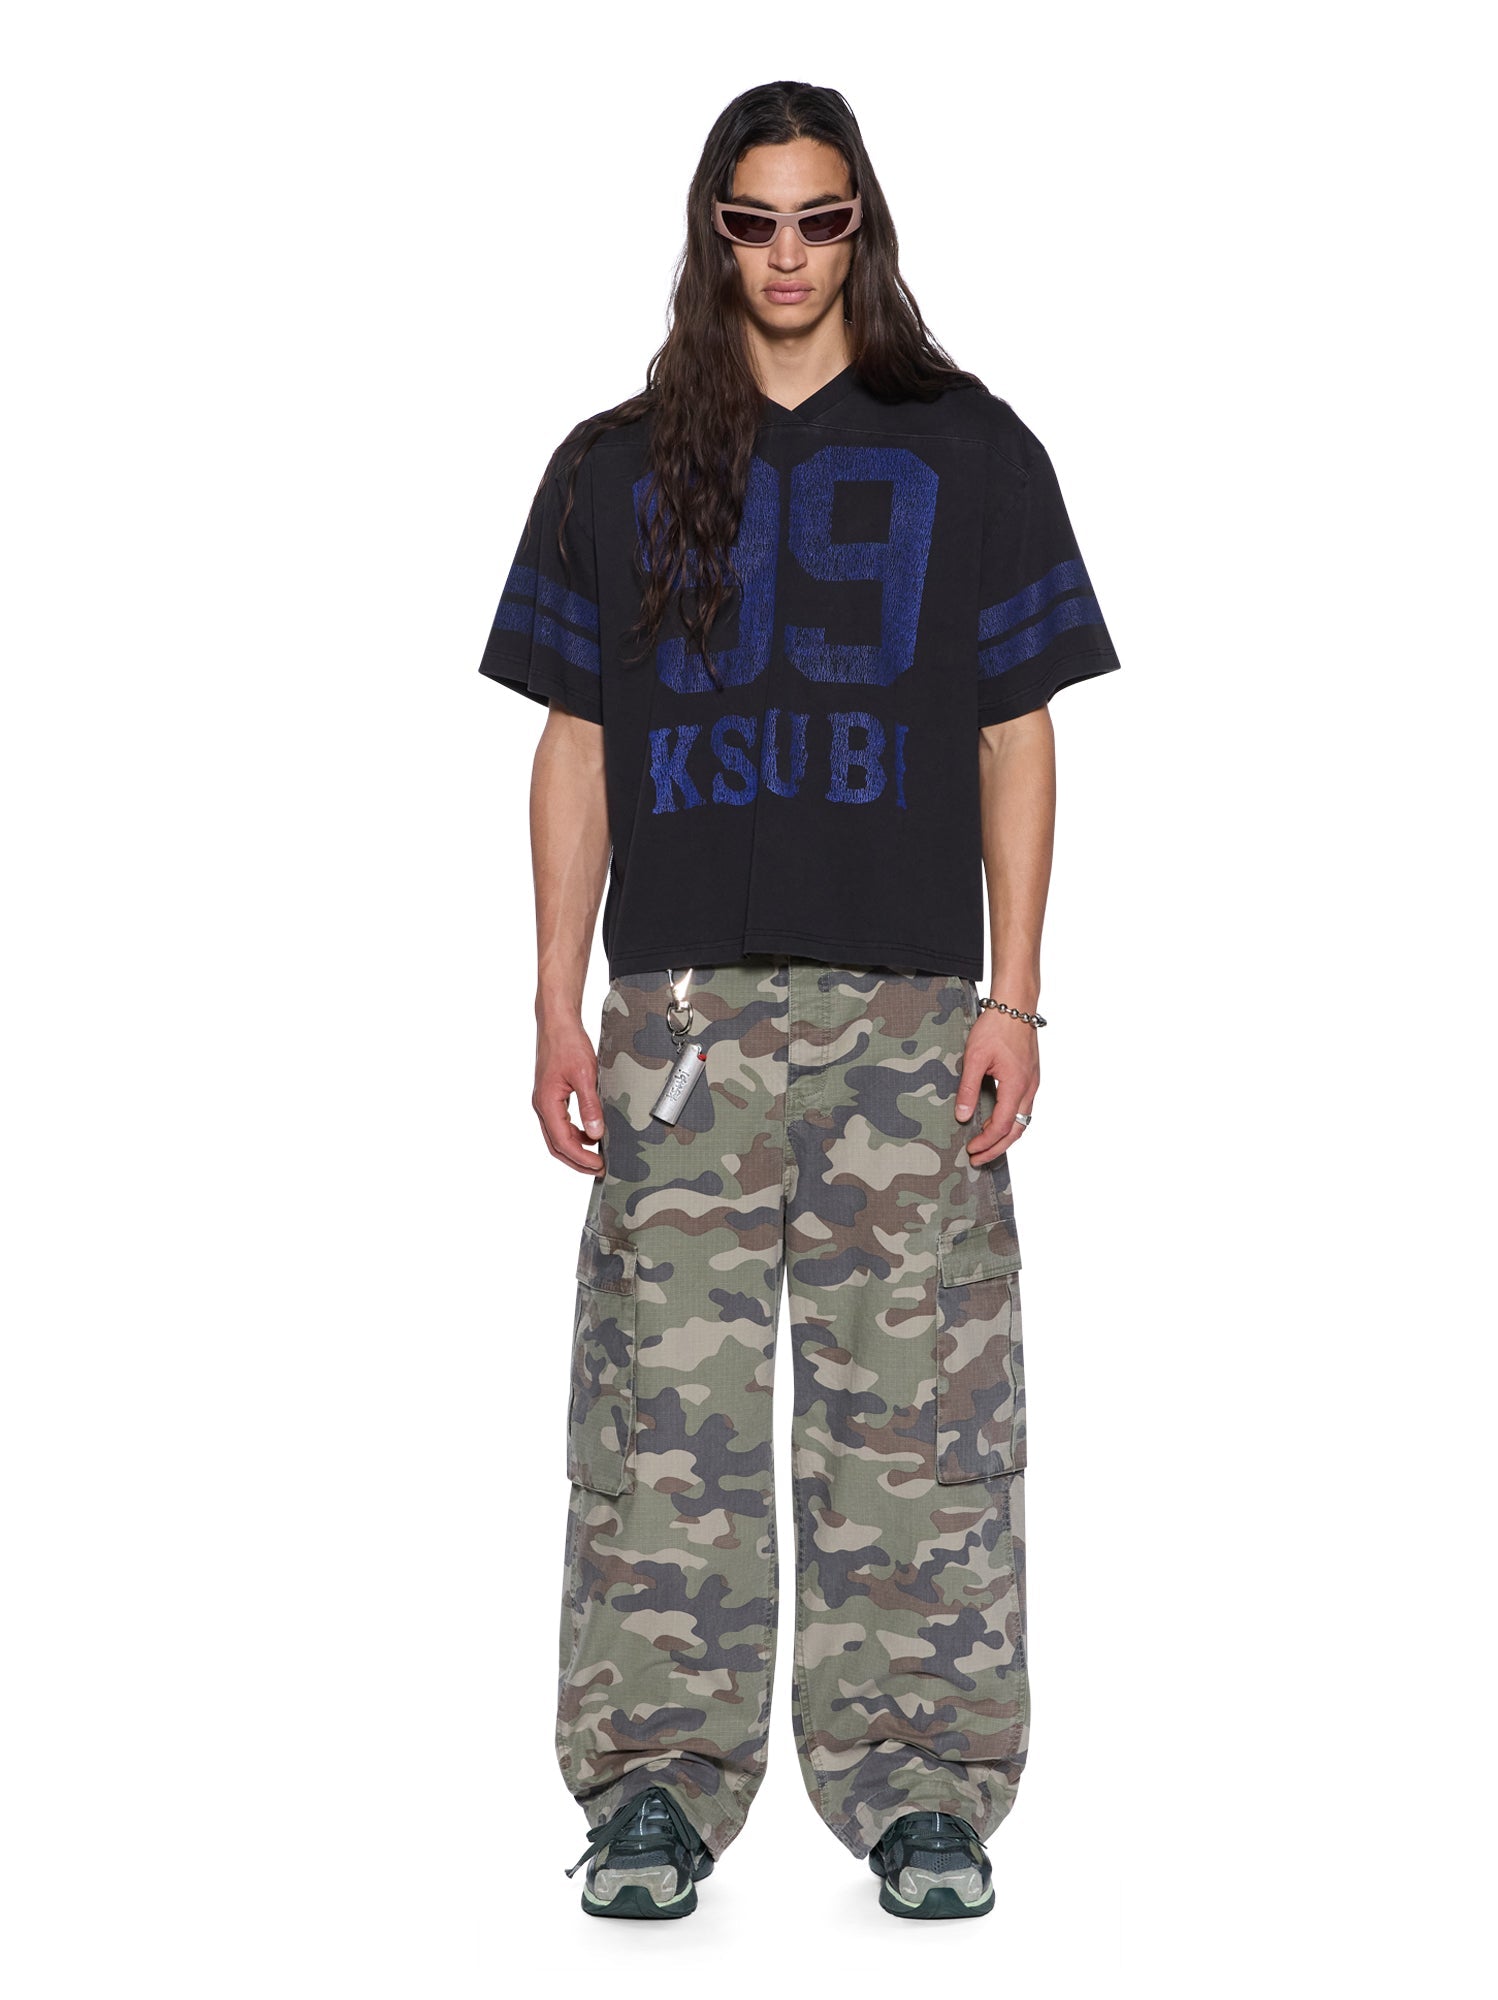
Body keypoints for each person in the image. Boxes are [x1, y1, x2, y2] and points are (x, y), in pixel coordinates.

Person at [476, 80, 1121, 1920]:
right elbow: (576, 740)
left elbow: (1015, 732)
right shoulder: (612, 465)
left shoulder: (970, 450)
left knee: (920, 1417)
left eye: (818, 219)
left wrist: (1017, 997)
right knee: (656, 1425)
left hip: (906, 1019)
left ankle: (923, 1788)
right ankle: (652, 1791)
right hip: (676, 1018)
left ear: (862, 226)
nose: (785, 255)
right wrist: (553, 1000)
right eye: (752, 221)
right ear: (713, 231)